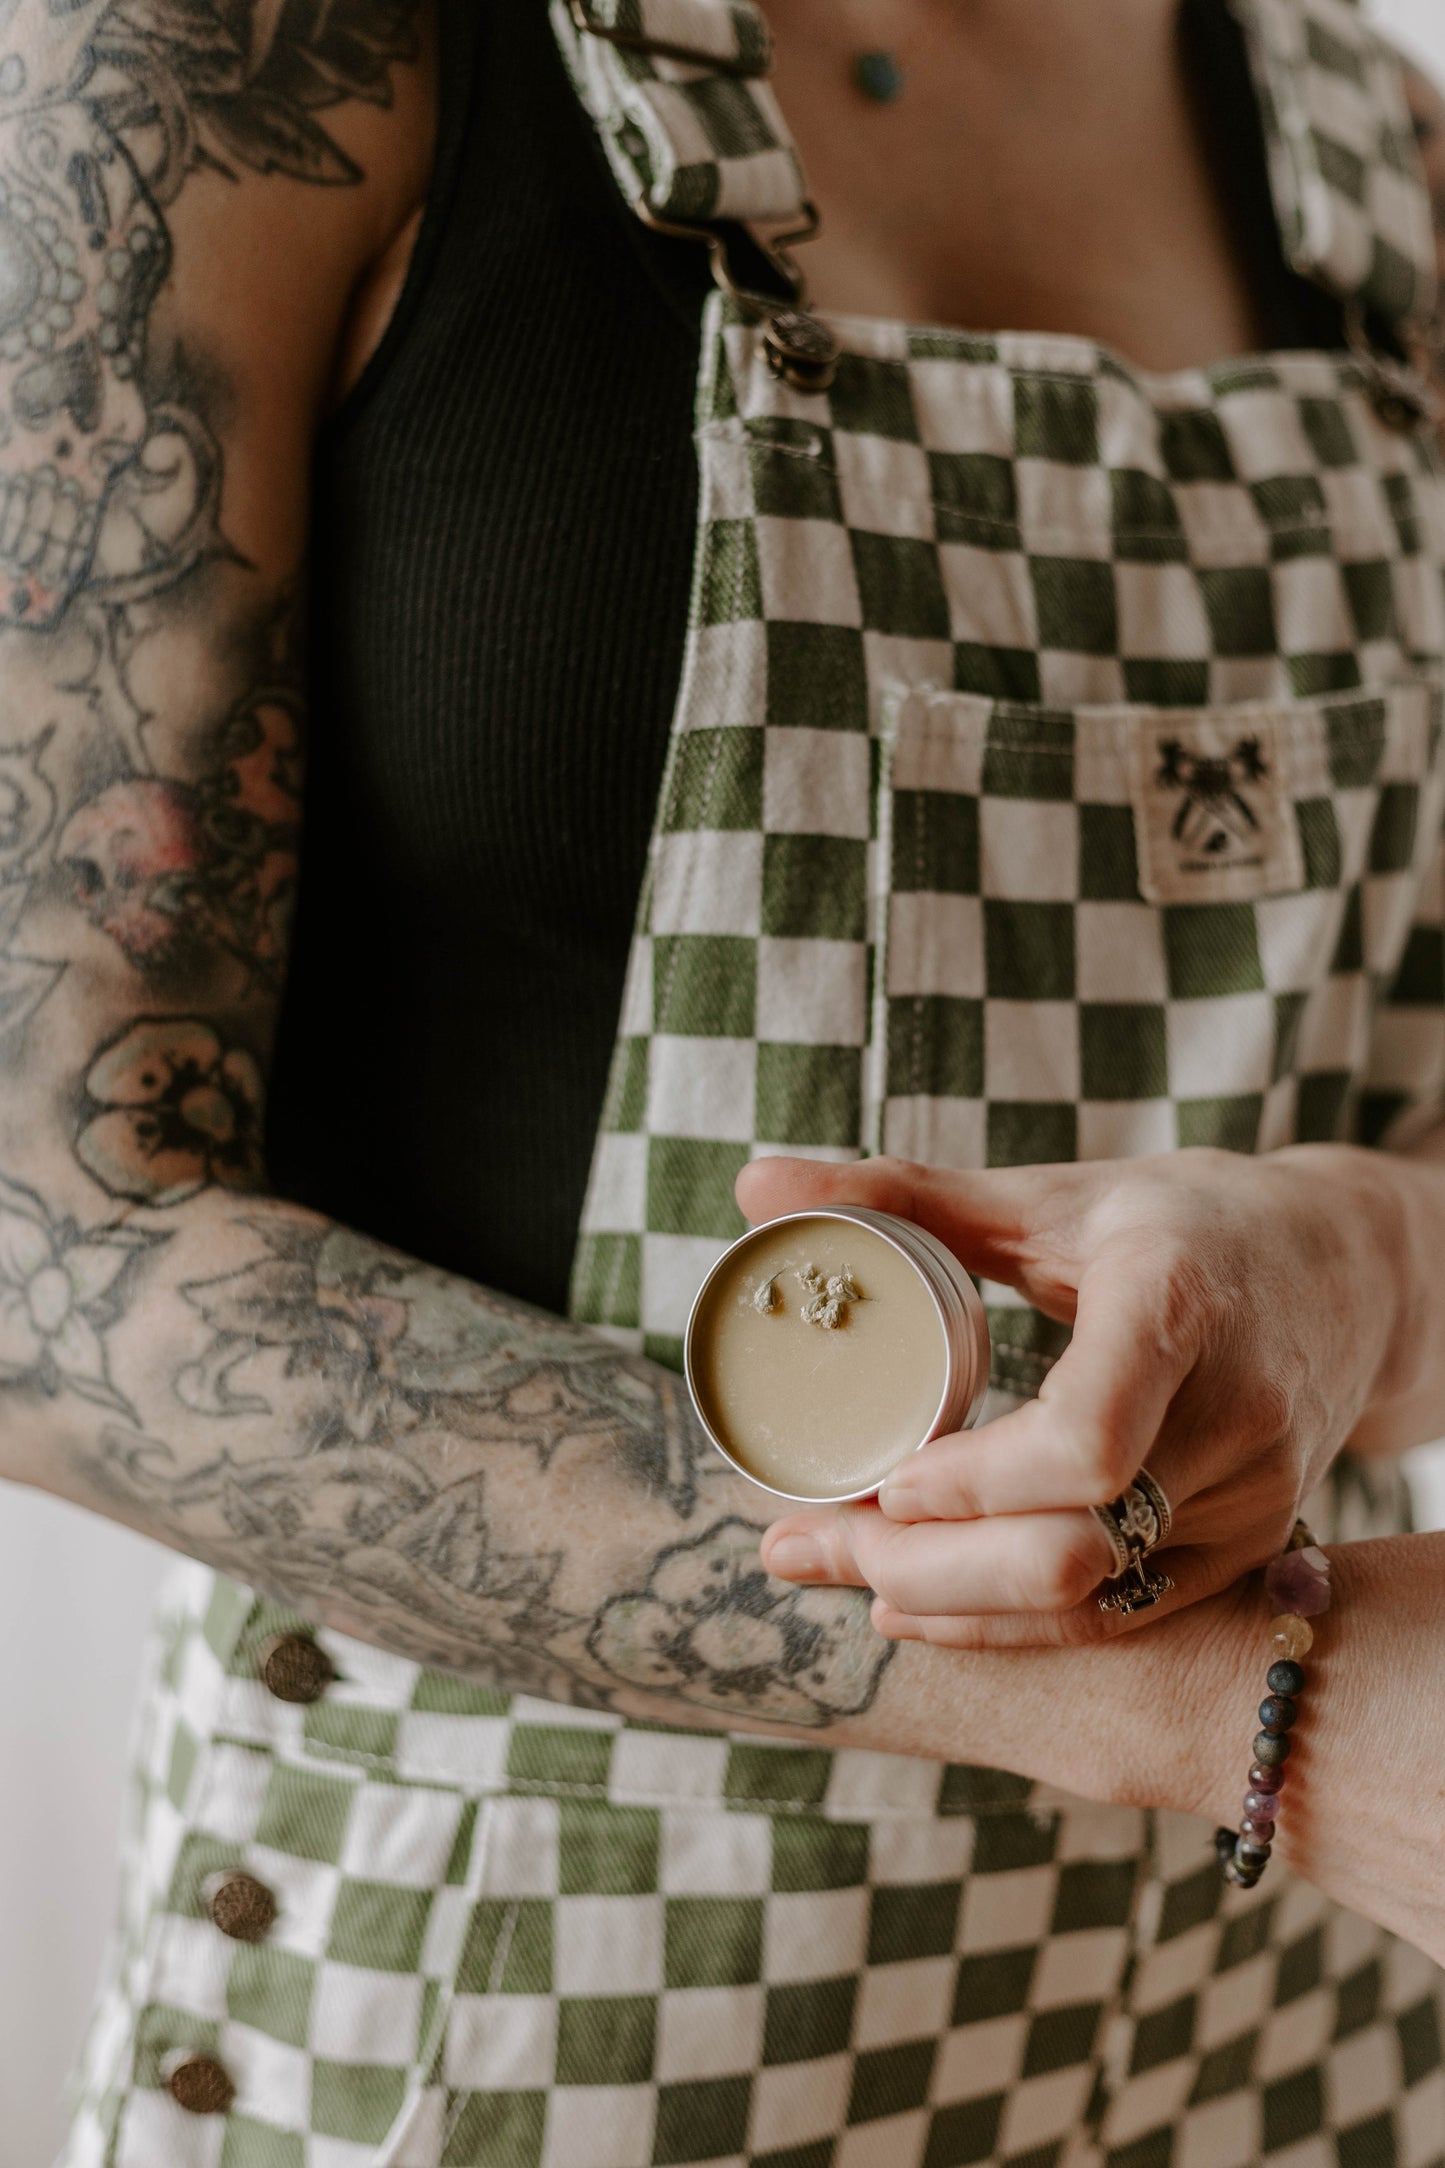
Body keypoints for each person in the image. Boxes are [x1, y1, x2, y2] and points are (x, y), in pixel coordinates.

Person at [0, 0, 1436, 2161]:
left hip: (1277, 2014)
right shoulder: (253, 57)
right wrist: (1239, 1709)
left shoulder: (1382, 165)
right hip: (519, 2021)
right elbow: (42, 1244)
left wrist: (1367, 1254)